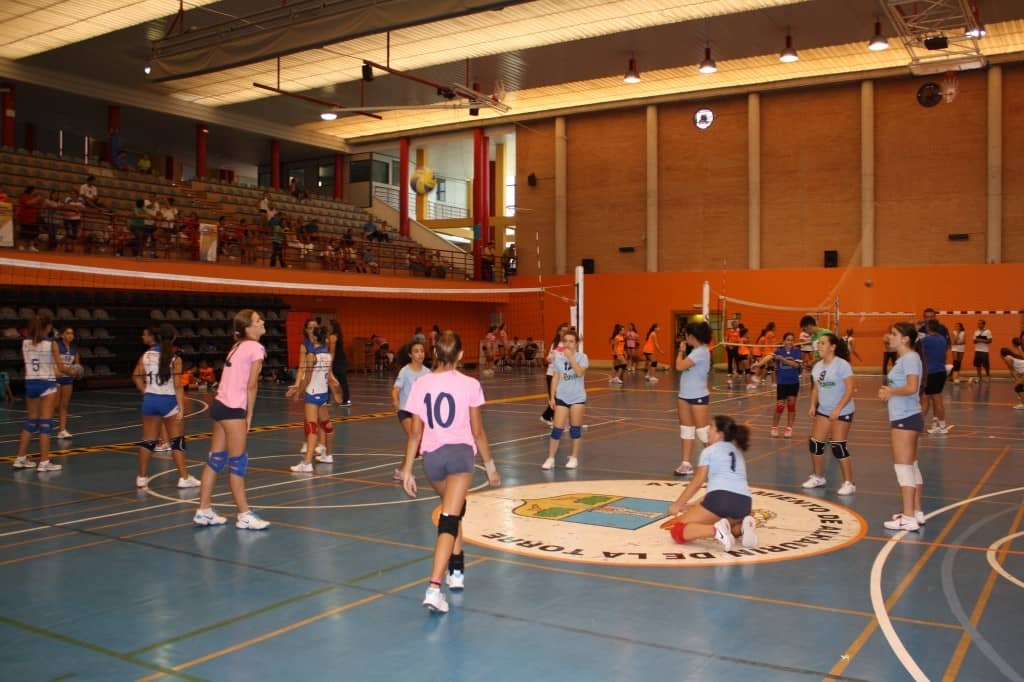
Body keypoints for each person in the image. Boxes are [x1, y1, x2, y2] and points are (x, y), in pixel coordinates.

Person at [399, 330, 501, 613]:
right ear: (459, 355)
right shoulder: (470, 384)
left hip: (431, 460)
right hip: (459, 458)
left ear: (434, 354)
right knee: (449, 518)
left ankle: (457, 572)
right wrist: (491, 466)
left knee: (452, 510)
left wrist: (407, 469)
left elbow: (414, 434)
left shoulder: (420, 384)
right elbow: (478, 431)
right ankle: (434, 587)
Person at [193, 310, 270, 530]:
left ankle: (204, 510)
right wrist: (249, 414)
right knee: (237, 463)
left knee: (216, 459)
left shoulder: (237, 346)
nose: (262, 321)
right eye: (257, 320)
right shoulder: (255, 347)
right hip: (234, 409)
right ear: (248, 328)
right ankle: (244, 514)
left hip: (219, 406)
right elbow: (251, 385)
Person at [664, 415, 757, 551]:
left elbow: (698, 481)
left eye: (711, 427)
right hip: (744, 503)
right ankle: (742, 526)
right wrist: (692, 505)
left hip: (721, 500)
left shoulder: (709, 451)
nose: (707, 430)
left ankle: (715, 531)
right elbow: (725, 488)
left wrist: (677, 505)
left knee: (678, 531)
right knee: (730, 525)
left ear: (720, 434)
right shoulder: (737, 452)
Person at [132, 323, 200, 489]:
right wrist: (181, 408)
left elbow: (135, 376)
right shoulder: (176, 359)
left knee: (148, 441)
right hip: (168, 401)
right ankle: (184, 477)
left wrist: (146, 391)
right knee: (177, 441)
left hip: (150, 401)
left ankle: (141, 477)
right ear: (174, 338)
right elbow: (177, 386)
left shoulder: (147, 355)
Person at [878, 322, 925, 532]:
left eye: (894, 334)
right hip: (907, 416)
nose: (890, 336)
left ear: (905, 339)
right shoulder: (905, 359)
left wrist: (891, 392)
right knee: (911, 465)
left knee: (903, 467)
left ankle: (908, 517)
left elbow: (912, 387)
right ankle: (916, 511)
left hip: (905, 418)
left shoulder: (910, 358)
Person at [802, 333, 857, 496]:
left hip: (843, 410)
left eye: (823, 343)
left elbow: (850, 389)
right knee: (815, 443)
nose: (820, 346)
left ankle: (849, 483)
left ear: (832, 347)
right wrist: (813, 405)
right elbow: (816, 389)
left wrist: (838, 409)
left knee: (838, 446)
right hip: (824, 410)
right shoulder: (817, 367)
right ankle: (818, 477)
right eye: (819, 344)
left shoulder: (842, 365)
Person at [12, 312, 64, 472]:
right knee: (46, 423)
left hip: (30, 384)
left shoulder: (25, 343)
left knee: (31, 421)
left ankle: (20, 459)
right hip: (46, 384)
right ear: (48, 327)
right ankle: (44, 462)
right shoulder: (52, 344)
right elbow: (61, 368)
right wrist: (75, 371)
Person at [288, 324, 335, 472]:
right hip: (323, 394)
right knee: (327, 426)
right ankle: (328, 455)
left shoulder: (311, 356)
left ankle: (307, 463)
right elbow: (329, 378)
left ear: (314, 337)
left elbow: (307, 378)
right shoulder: (328, 355)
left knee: (311, 428)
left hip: (312, 394)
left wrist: (297, 392)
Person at [542, 330, 588, 470]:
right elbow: (556, 376)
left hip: (577, 397)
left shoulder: (582, 357)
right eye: (565, 341)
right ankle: (550, 458)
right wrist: (552, 396)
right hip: (562, 396)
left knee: (575, 429)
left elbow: (580, 372)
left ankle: (574, 457)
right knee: (557, 430)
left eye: (571, 341)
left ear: (577, 343)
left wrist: (571, 358)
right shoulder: (559, 358)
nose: (568, 344)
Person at [675, 322, 712, 477]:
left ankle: (718, 461)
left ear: (692, 336)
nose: (685, 338)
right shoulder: (696, 351)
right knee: (687, 430)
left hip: (698, 396)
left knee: (703, 432)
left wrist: (680, 351)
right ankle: (686, 463)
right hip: (684, 395)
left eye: (686, 335)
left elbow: (679, 366)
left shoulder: (701, 352)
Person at [392, 339, 431, 480]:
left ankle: (401, 470)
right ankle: (405, 472)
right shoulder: (405, 371)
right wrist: (395, 399)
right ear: (410, 355)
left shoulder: (428, 372)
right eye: (416, 351)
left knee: (415, 443)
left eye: (422, 351)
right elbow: (396, 389)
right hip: (406, 411)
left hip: (421, 413)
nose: (420, 354)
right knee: (414, 437)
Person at [292, 319, 329, 458]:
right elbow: (302, 368)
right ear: (306, 329)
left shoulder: (323, 346)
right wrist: (297, 384)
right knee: (309, 417)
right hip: (310, 382)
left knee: (320, 417)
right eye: (310, 327)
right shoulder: (305, 345)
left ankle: (321, 445)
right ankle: (309, 442)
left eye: (315, 327)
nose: (313, 329)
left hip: (319, 384)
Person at [758, 331, 802, 437]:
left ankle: (789, 428)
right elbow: (769, 356)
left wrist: (782, 359)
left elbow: (796, 365)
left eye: (791, 340)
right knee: (780, 406)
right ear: (783, 341)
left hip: (793, 382)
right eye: (788, 340)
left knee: (791, 406)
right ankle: (774, 427)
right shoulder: (779, 351)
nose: (790, 342)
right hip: (782, 383)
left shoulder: (796, 352)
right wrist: (759, 364)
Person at [922, 319, 953, 435]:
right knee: (936, 398)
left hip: (931, 373)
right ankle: (940, 425)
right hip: (941, 372)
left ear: (928, 328)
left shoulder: (926, 340)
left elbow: (917, 351)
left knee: (926, 399)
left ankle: (918, 427)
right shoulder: (942, 339)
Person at [540, 323, 570, 426]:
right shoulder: (556, 344)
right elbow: (548, 358)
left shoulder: (568, 344)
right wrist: (552, 358)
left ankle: (547, 416)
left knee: (560, 398)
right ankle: (554, 421)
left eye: (567, 330)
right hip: (552, 375)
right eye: (563, 330)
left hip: (562, 376)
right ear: (559, 332)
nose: (565, 332)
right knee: (556, 398)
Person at [54, 326, 80, 439]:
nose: (70, 335)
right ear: (62, 335)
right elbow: (54, 362)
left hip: (67, 379)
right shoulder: (56, 346)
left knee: (64, 405)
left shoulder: (74, 349)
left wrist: (76, 371)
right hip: (56, 378)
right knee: (55, 405)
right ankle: (43, 425)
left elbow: (77, 365)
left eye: (72, 333)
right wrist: (65, 371)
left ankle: (62, 430)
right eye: (68, 333)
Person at [327, 319, 351, 406]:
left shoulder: (332, 337)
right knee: (342, 381)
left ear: (332, 326)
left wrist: (330, 363)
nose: (328, 327)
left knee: (329, 379)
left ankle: (327, 400)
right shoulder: (338, 335)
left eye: (329, 325)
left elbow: (332, 351)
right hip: (342, 360)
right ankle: (346, 400)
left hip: (337, 361)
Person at [16, 186, 42, 252]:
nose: (36, 192)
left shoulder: (35, 198)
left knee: (33, 233)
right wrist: (37, 199)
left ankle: (31, 246)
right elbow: (28, 203)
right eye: (35, 190)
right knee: (23, 232)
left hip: (33, 218)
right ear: (31, 191)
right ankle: (21, 245)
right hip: (24, 217)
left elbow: (39, 206)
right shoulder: (24, 196)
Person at [1001, 340, 1024, 410]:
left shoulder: (1007, 358)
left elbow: (1012, 370)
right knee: (1020, 387)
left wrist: (1017, 381)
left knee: (1018, 387)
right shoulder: (1011, 357)